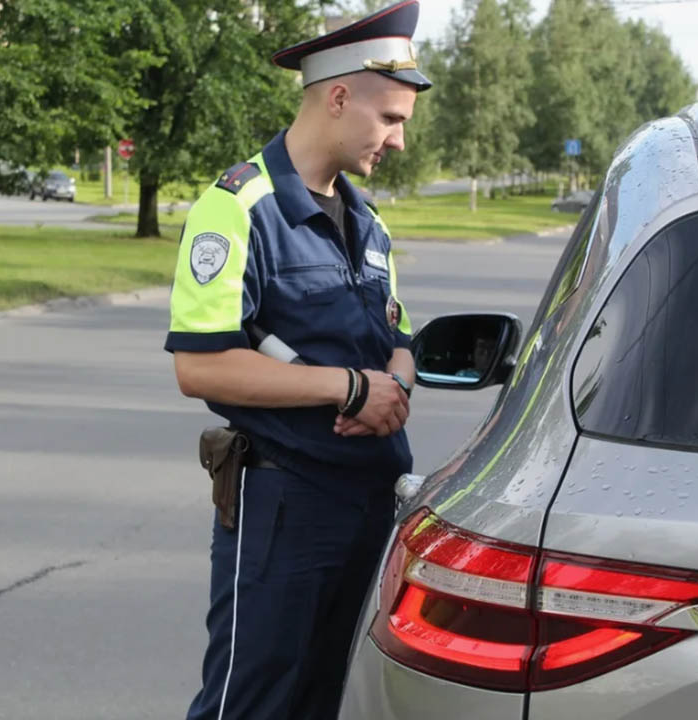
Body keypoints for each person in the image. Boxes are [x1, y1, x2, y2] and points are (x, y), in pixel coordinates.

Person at [164, 2, 432, 718]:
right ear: (339, 96)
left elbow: (396, 340)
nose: (400, 140)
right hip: (284, 504)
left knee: (320, 701)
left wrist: (392, 386)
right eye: (391, 119)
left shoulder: (368, 224)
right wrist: (347, 390)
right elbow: (201, 366)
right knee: (251, 702)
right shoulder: (239, 208)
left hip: (368, 501)